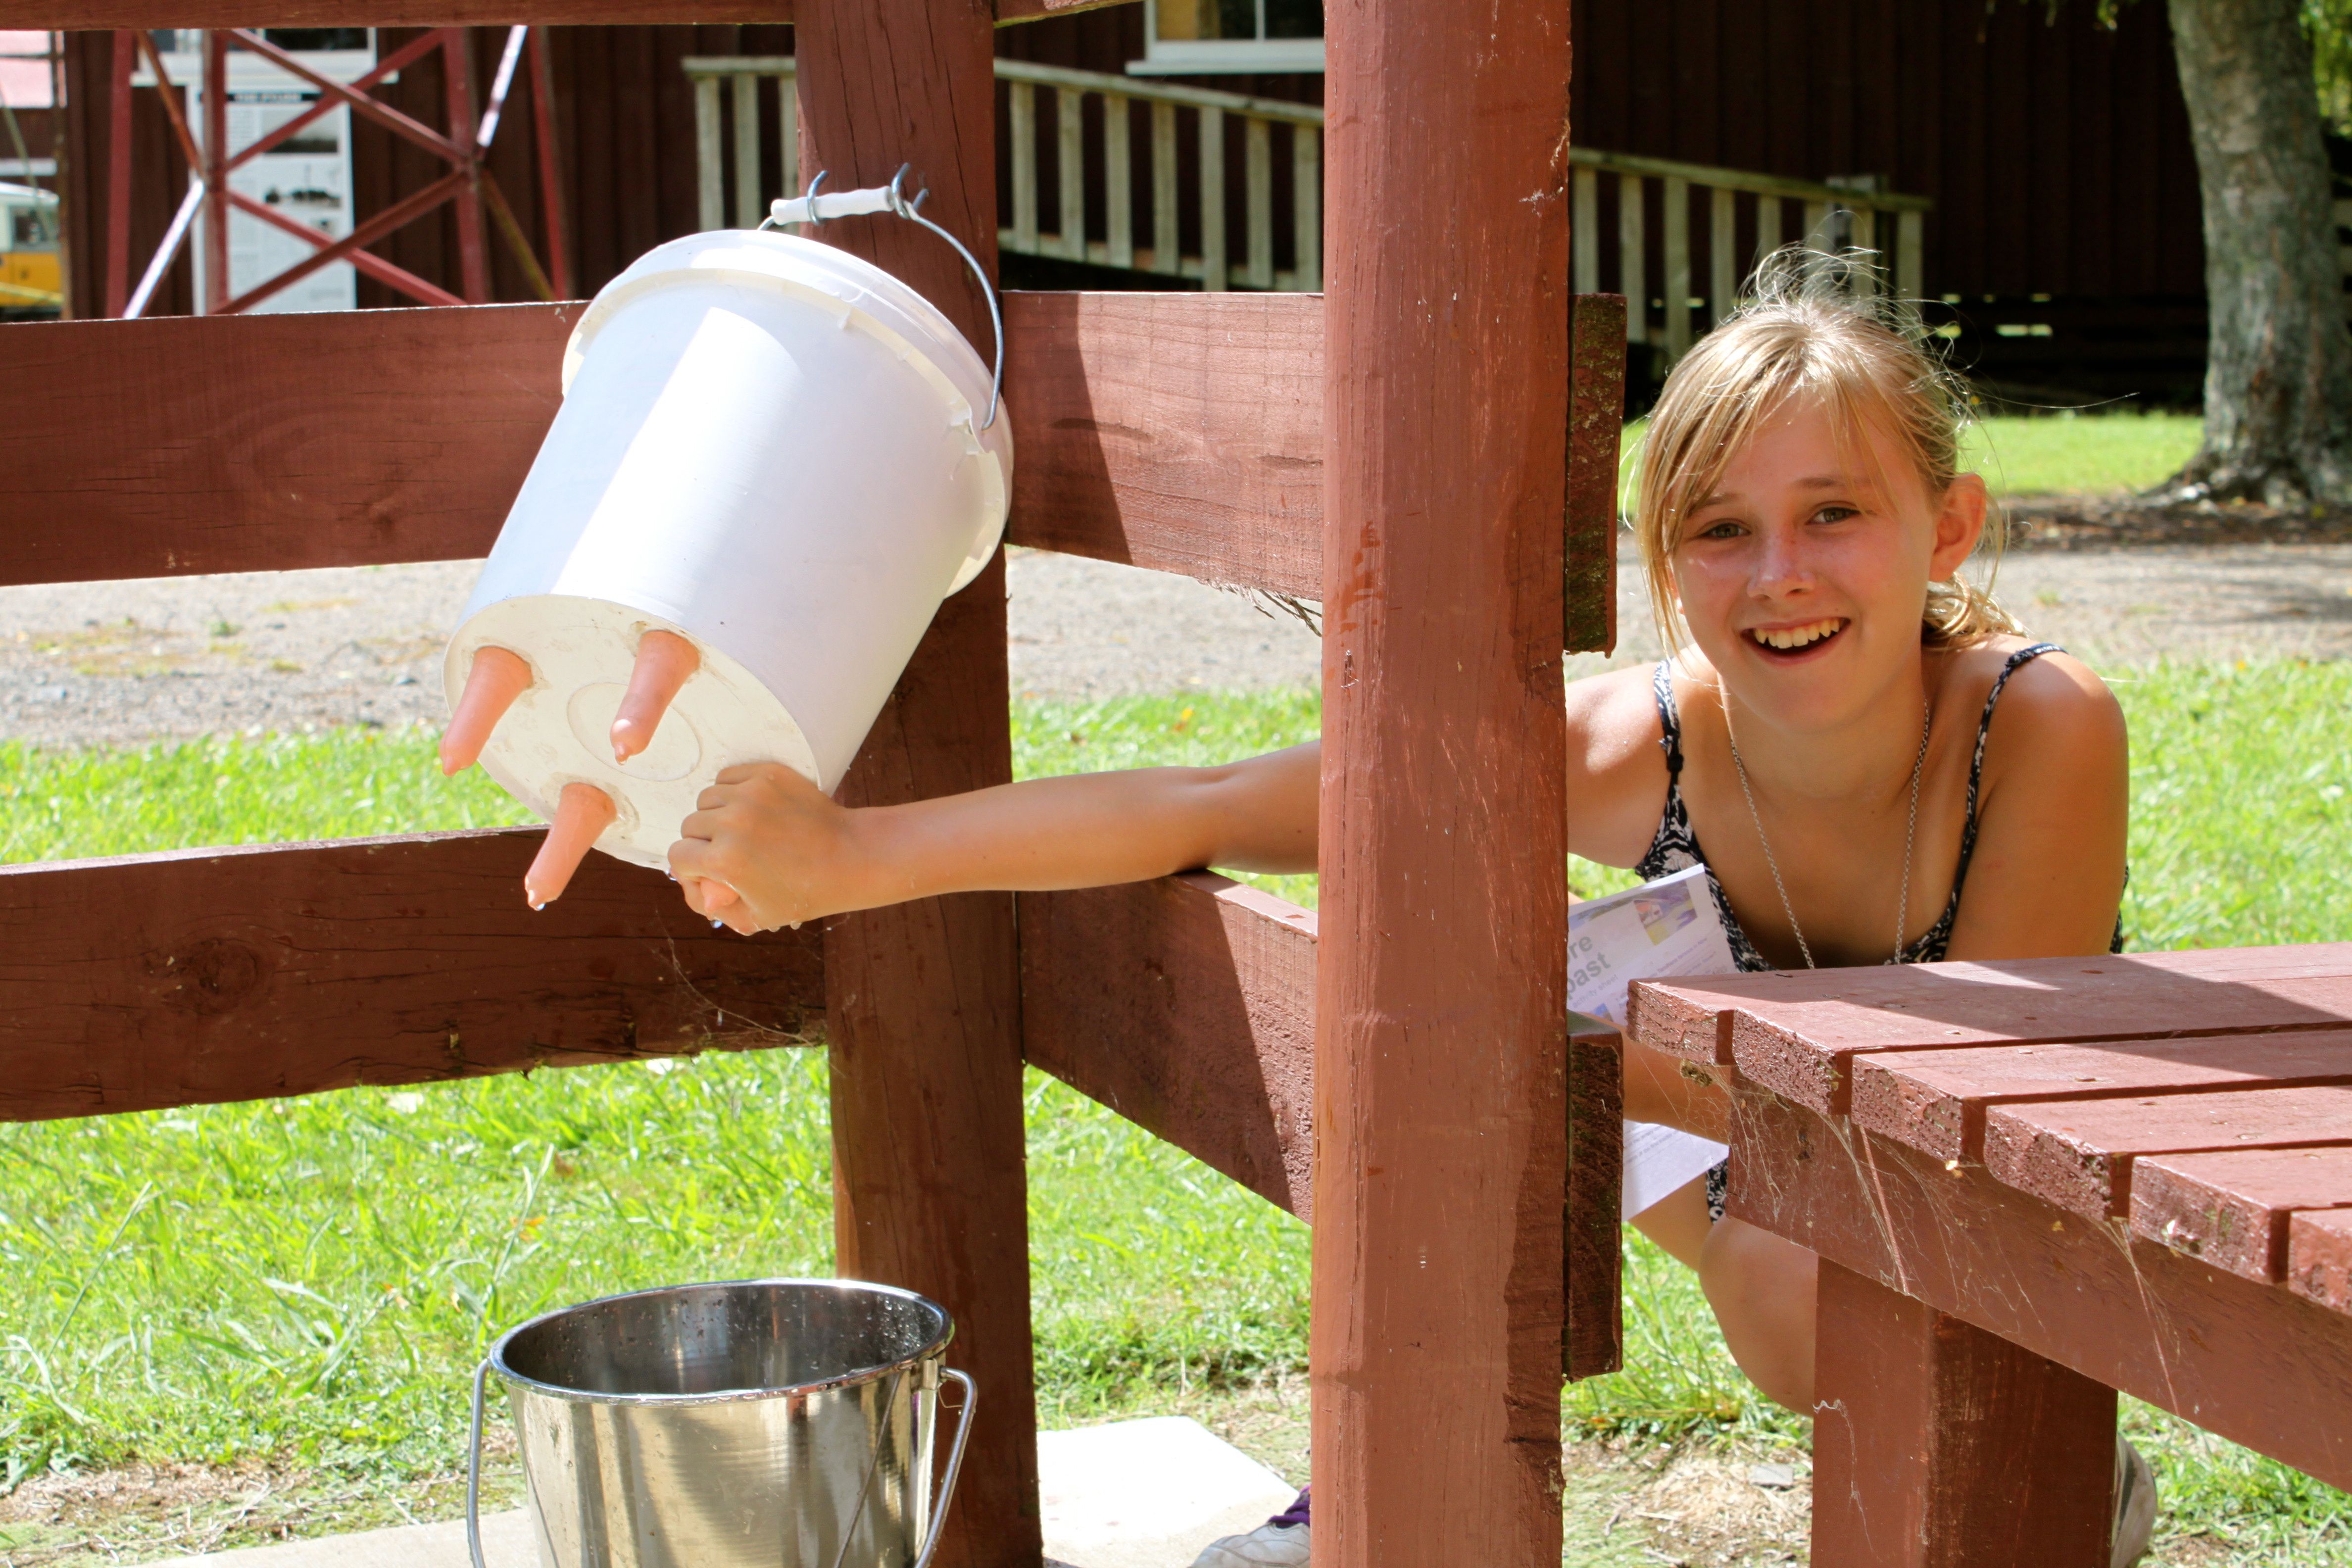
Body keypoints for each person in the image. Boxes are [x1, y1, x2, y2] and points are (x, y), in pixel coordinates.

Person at [662, 253, 2152, 1567]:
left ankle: (2054, 1480)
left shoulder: (2036, 730)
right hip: (1756, 1181)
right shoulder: (1631, 746)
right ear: (1658, 562)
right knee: (1765, 1276)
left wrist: (1595, 1038)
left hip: (1981, 1185)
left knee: (1786, 1275)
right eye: (1718, 530)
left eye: (1836, 513)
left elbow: (1965, 1109)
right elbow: (1212, 799)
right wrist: (852, 853)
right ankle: (1376, 1500)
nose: (1779, 577)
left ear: (1949, 527)